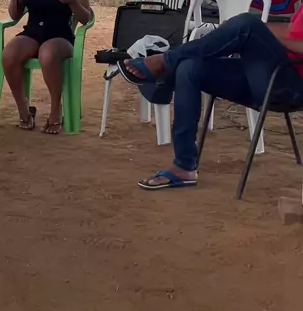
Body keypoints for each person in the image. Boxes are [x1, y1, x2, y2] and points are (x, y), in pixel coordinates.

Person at [118, 11, 303, 190]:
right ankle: (184, 166)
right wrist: (252, 30)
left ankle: (166, 61)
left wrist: (255, 33)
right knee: (190, 68)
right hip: (268, 77)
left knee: (247, 24)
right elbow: (291, 30)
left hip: (291, 86)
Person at [3, 0, 91, 134]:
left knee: (48, 53)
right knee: (9, 54)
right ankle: (24, 109)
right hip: (33, 31)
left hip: (61, 35)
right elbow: (15, 15)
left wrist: (72, 3)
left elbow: (86, 18)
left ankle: (55, 111)